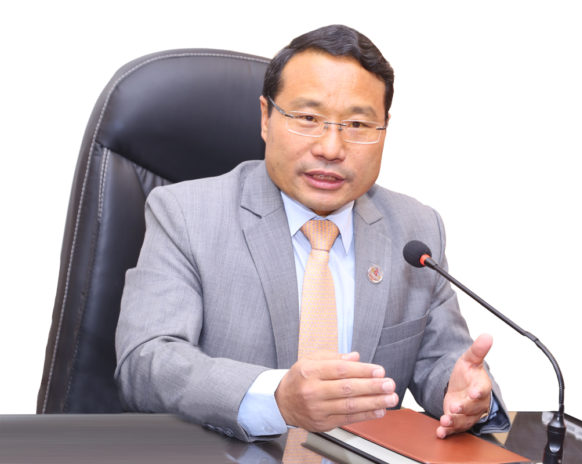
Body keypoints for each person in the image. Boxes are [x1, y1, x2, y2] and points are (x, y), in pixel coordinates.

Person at [115, 24, 510, 443]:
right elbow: (146, 362)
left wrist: (465, 394)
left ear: (384, 130)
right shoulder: (186, 214)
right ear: (266, 117)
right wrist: (275, 399)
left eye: (357, 124)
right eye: (307, 118)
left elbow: (444, 362)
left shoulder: (416, 230)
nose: (331, 148)